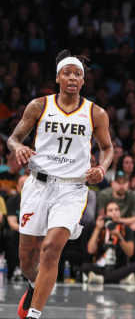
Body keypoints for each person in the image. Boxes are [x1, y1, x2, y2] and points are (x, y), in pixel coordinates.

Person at [7, 50, 113, 319]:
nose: (73, 78)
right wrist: (19, 148)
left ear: (83, 81)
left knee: (52, 248)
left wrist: (101, 167)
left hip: (72, 189)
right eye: (67, 73)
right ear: (57, 77)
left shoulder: (95, 113)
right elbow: (14, 138)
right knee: (27, 259)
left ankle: (34, 314)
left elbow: (108, 148)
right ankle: (34, 286)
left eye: (78, 74)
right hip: (38, 185)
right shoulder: (39, 106)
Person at [82, 200, 135, 284]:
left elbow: (130, 253)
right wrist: (97, 229)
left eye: (116, 210)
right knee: (85, 267)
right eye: (110, 210)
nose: (114, 213)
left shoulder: (126, 229)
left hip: (118, 266)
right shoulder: (99, 228)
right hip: (101, 266)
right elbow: (90, 250)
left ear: (120, 212)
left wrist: (119, 236)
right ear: (105, 214)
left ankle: (101, 279)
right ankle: (119, 279)